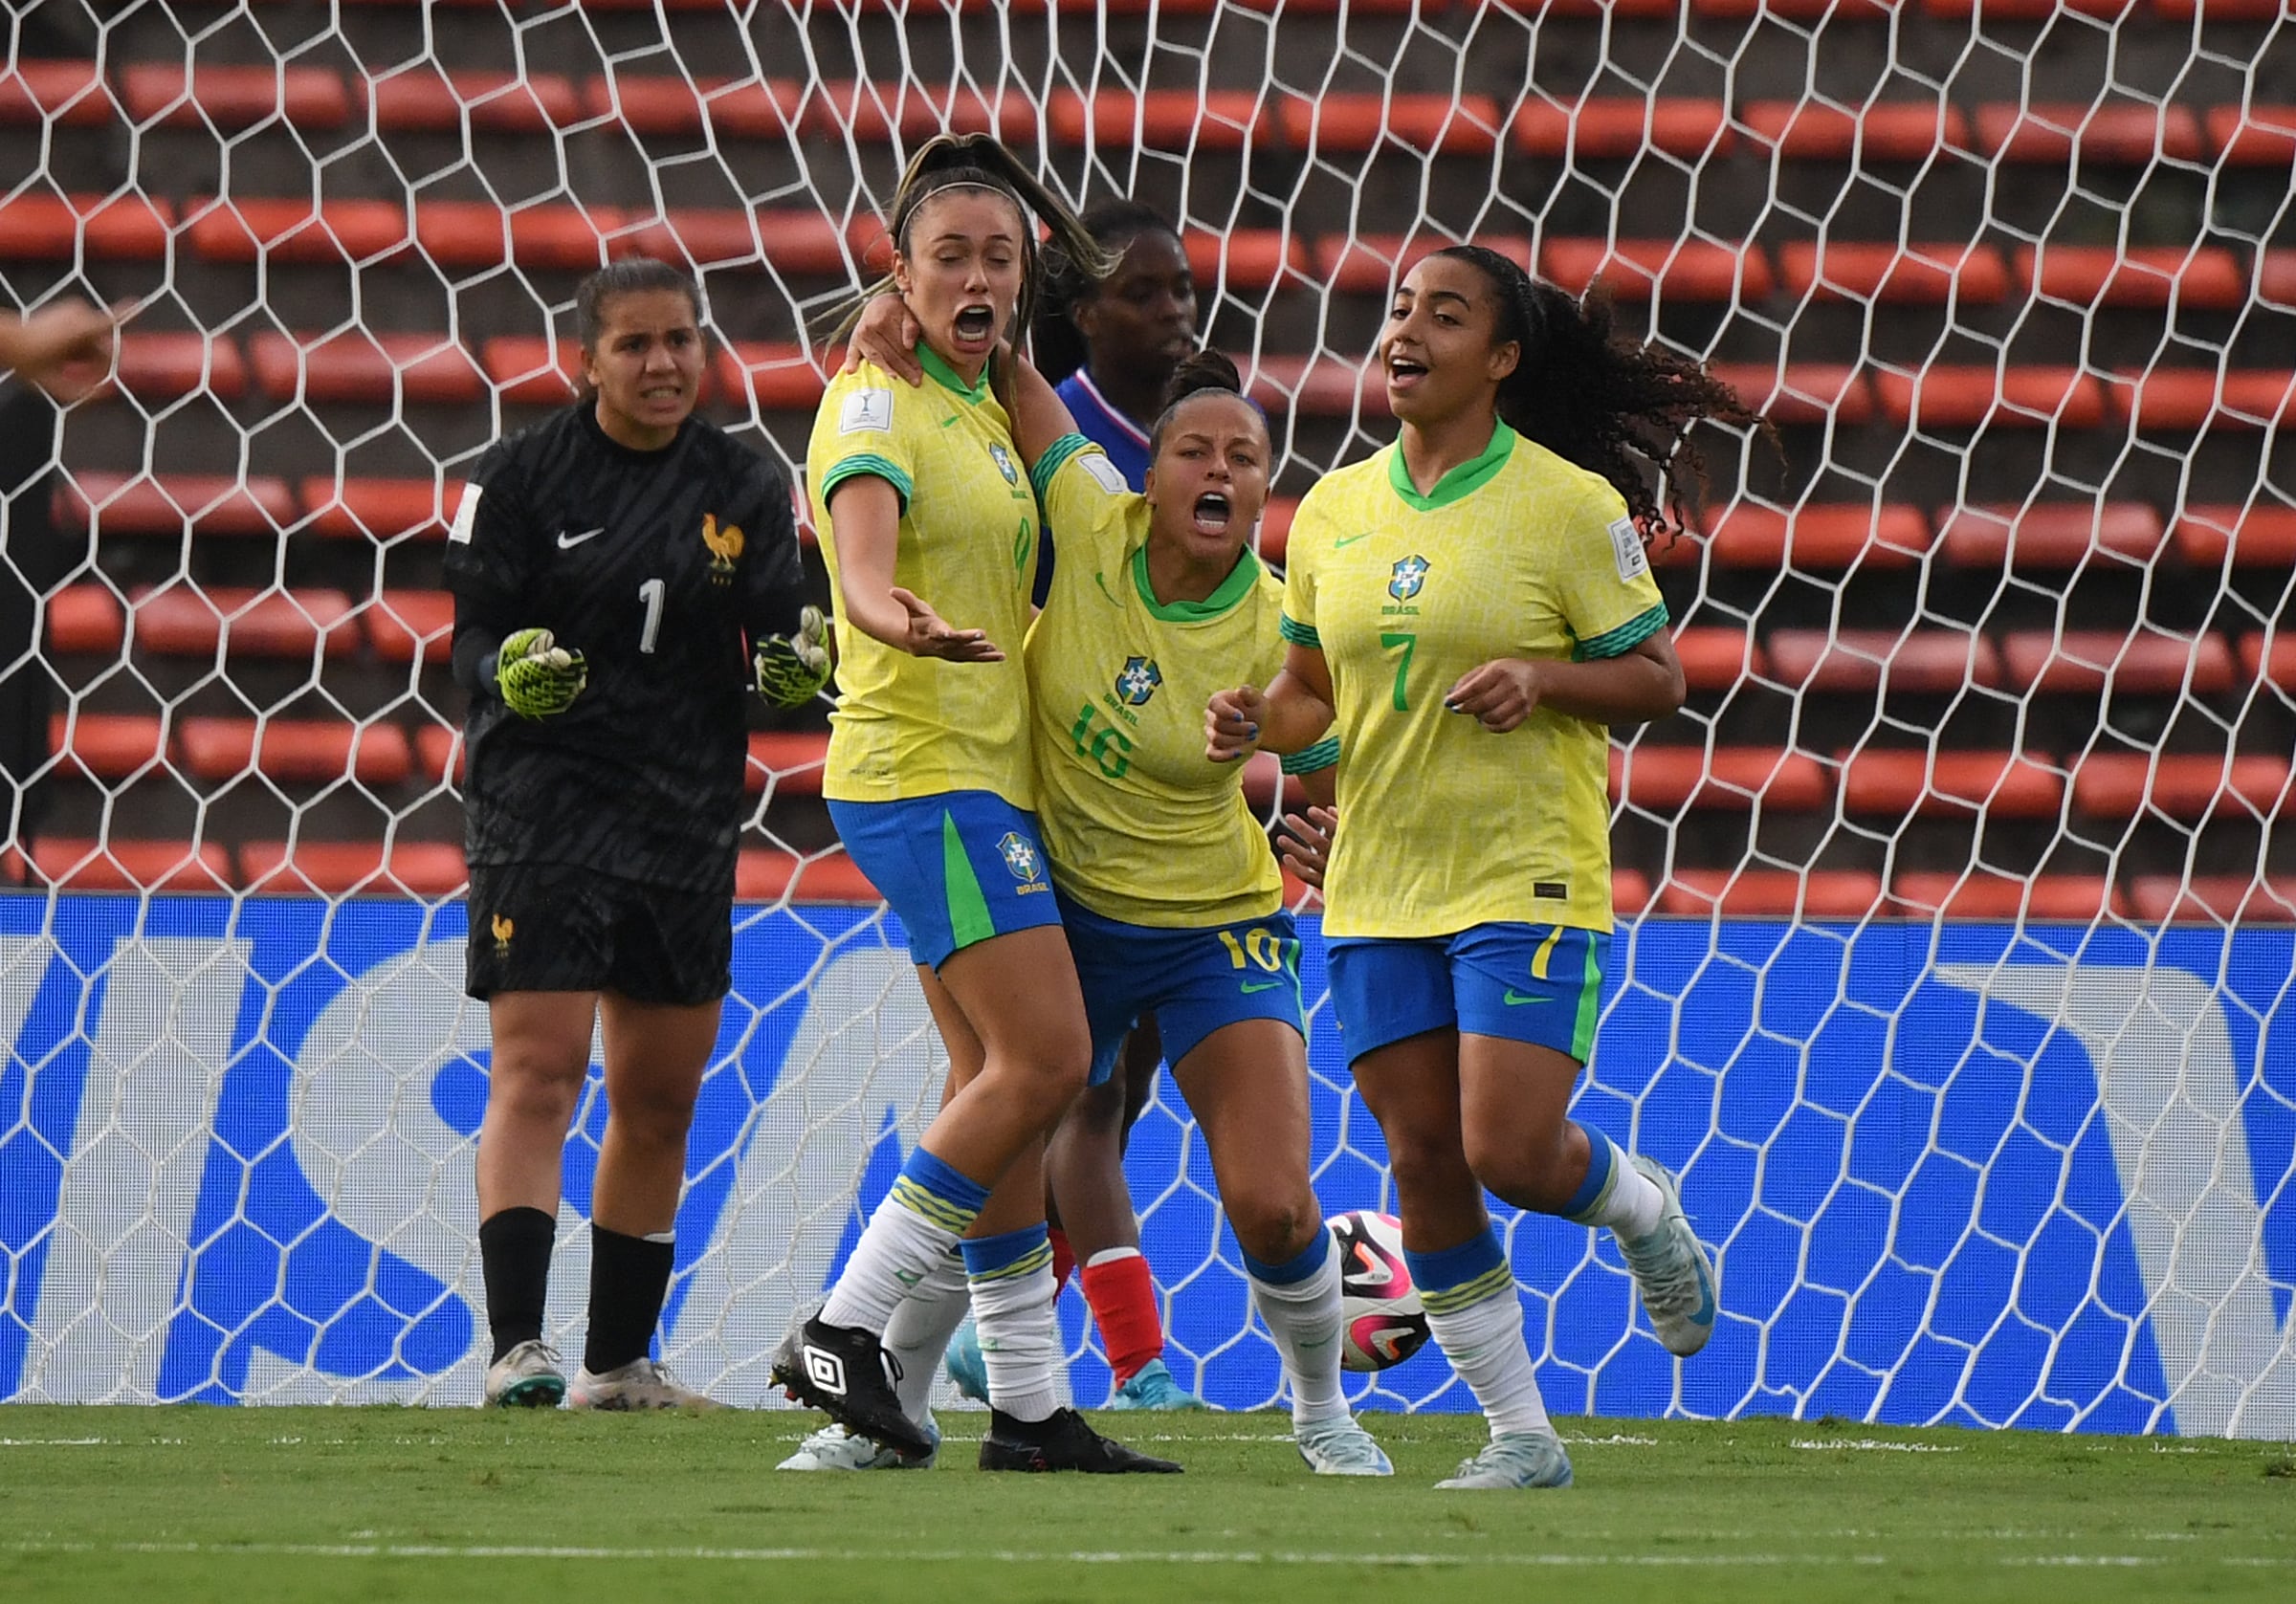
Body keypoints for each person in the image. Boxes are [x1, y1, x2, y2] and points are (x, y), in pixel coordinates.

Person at [1206, 246, 1748, 1489]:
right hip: (1378, 882)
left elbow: (1658, 677)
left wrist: (1545, 676)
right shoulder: (1335, 509)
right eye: (1399, 309)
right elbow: (1308, 693)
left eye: (1443, 315)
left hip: (1525, 874)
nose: (1406, 330)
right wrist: (1260, 726)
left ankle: (1637, 1208)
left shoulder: (1565, 508)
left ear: (1500, 358)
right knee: (1424, 1161)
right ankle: (1521, 1437)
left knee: (1507, 1146)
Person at [771, 133, 1176, 1475]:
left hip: (980, 774)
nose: (976, 273)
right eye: (949, 254)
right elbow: (863, 566)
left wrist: (988, 344)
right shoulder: (876, 401)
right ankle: (845, 1325)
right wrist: (892, 616)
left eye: (999, 256)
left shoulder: (984, 400)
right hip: (923, 769)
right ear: (898, 265)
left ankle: (1026, 1404)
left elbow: (1087, 496)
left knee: (990, 1077)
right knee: (1052, 1062)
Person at [447, 256, 828, 1411]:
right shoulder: (519, 480)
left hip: (684, 815)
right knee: (541, 1069)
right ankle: (519, 1347)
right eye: (636, 344)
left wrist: (802, 668)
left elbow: (787, 649)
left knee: (660, 1096)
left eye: (681, 341)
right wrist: (510, 670)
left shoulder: (747, 485)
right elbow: (471, 643)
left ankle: (619, 1365)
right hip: (544, 808)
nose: (663, 363)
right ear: (587, 359)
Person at [872, 199, 1213, 1413]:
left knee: (1063, 1080)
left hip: (1154, 817)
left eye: (1183, 288)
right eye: (1148, 291)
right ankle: (901, 1338)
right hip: (1022, 783)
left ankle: (968, 1352)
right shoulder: (1019, 412)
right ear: (1079, 311)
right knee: (1065, 1078)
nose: (1176, 310)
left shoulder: (1196, 433)